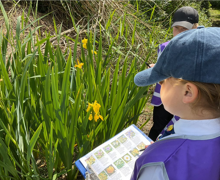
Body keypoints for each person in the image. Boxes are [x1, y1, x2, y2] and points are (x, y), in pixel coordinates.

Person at [131, 27, 220, 180]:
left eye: (163, 80)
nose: (159, 85)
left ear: (188, 92)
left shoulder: (158, 165)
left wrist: (161, 153)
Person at [148, 6, 199, 141]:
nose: (180, 33)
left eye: (185, 29)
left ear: (195, 27)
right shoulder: (164, 47)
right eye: (177, 28)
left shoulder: (201, 51)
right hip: (164, 98)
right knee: (157, 126)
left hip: (185, 99)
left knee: (177, 131)